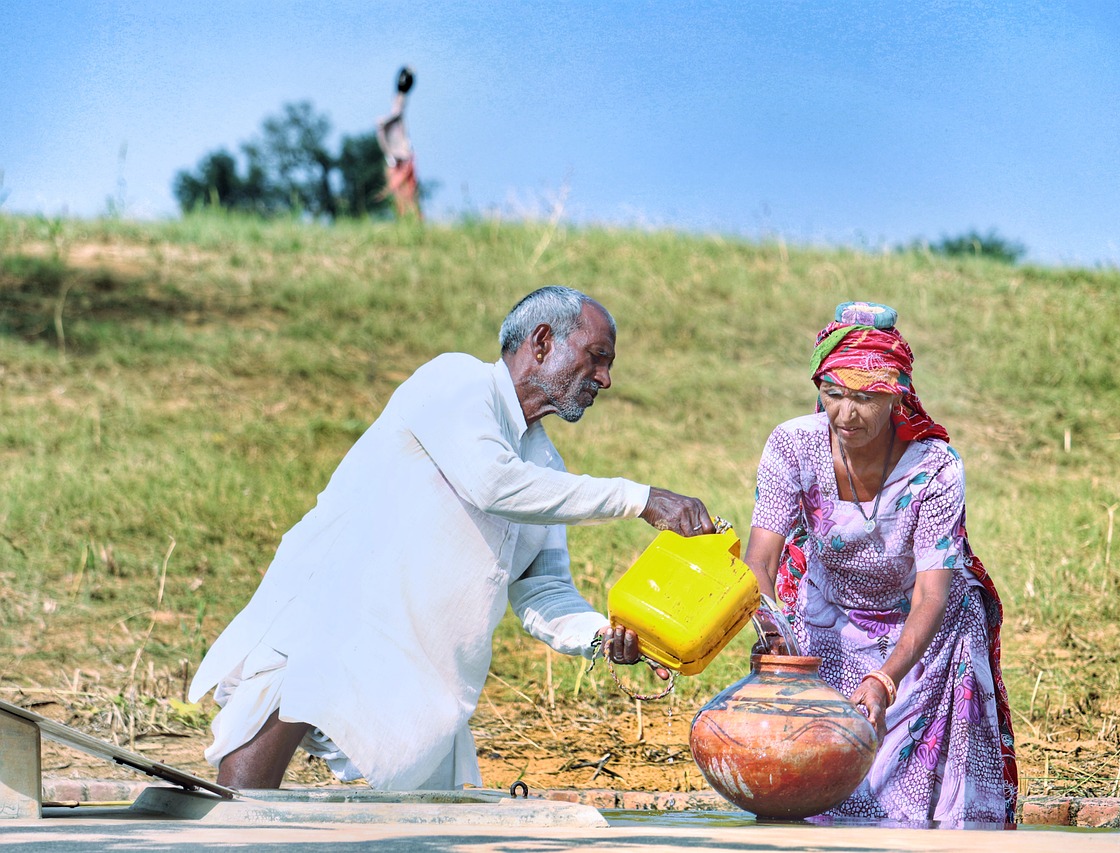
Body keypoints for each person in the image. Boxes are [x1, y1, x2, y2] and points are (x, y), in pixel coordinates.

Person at [188, 286, 714, 791]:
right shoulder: (456, 382)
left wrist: (604, 637)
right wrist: (639, 498)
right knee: (248, 801)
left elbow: (542, 591)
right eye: (597, 357)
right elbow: (491, 482)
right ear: (543, 342)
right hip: (334, 620)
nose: (605, 378)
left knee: (438, 821)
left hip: (423, 676)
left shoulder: (545, 466)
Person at [743, 300, 1017, 825]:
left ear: (898, 394)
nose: (846, 415)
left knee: (915, 806)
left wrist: (885, 679)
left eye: (867, 398)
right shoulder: (792, 446)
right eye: (833, 394)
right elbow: (759, 563)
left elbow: (932, 595)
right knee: (817, 782)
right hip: (826, 617)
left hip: (929, 637)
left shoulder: (935, 467)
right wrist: (773, 637)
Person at [376, 66, 422, 219]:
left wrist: (383, 121)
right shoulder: (398, 98)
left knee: (407, 191)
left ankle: (412, 219)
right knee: (400, 192)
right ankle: (406, 219)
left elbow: (397, 114)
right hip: (396, 154)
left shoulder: (400, 99)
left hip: (402, 153)